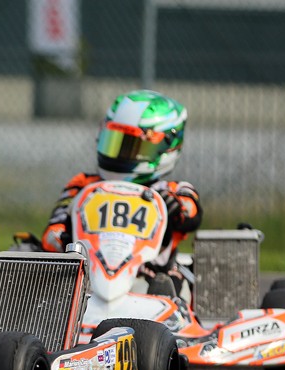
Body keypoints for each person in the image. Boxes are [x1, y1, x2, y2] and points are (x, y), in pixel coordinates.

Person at [41, 90, 201, 300]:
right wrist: (65, 238)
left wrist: (175, 206)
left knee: (171, 280)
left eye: (134, 146)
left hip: (151, 282)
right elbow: (53, 232)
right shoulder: (84, 185)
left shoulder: (172, 190)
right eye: (115, 141)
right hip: (85, 282)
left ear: (166, 148)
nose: (120, 153)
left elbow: (191, 211)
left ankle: (166, 311)